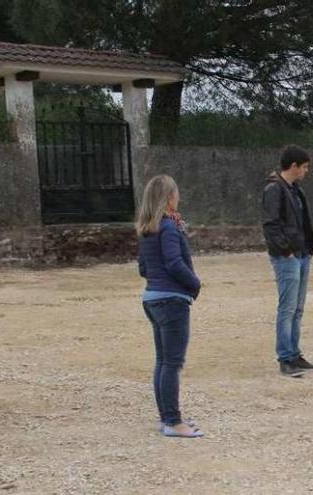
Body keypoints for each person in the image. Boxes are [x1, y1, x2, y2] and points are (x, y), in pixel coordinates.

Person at [137, 175, 204, 438]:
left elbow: (143, 268)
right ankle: (174, 422)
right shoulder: (168, 227)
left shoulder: (147, 229)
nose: (179, 198)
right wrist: (195, 284)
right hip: (171, 300)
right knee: (172, 362)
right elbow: (175, 263)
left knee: (163, 361)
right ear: (168, 198)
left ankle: (167, 417)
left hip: (152, 298)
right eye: (176, 194)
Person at [261, 144, 313, 378]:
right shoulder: (275, 189)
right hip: (289, 256)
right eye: (304, 167)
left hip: (301, 253)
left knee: (297, 308)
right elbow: (271, 224)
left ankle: (293, 353)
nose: (306, 171)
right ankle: (285, 357)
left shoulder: (293, 189)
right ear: (293, 166)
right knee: (288, 308)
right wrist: (286, 251)